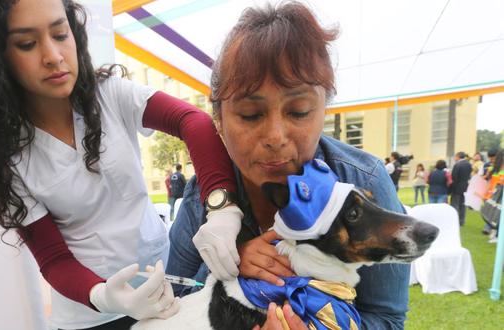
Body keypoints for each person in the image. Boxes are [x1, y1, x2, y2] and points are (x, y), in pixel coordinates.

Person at [0, 0, 244, 329]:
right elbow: (54, 259)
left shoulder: (111, 97)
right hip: (89, 315)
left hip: (166, 292)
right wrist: (103, 296)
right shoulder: (7, 154)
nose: (54, 56)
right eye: (27, 44)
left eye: (60, 34)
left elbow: (194, 122)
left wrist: (222, 206)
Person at [166, 2, 410, 328]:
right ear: (219, 120)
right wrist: (226, 266)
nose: (276, 136)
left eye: (298, 111)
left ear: (325, 108)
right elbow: (174, 299)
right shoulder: (203, 195)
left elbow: (387, 317)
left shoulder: (362, 180)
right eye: (251, 114)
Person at [483, 150, 504, 243]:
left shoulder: (497, 169)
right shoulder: (494, 169)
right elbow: (491, 183)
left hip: (496, 196)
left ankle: (496, 234)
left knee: (497, 216)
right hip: (495, 196)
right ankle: (495, 233)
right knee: (494, 215)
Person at [450, 151, 472, 226]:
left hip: (457, 187)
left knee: (455, 204)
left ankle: (454, 221)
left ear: (458, 156)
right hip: (465, 187)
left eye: (455, 156)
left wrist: (452, 187)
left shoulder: (457, 165)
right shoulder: (469, 164)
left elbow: (454, 177)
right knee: (462, 205)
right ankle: (461, 221)